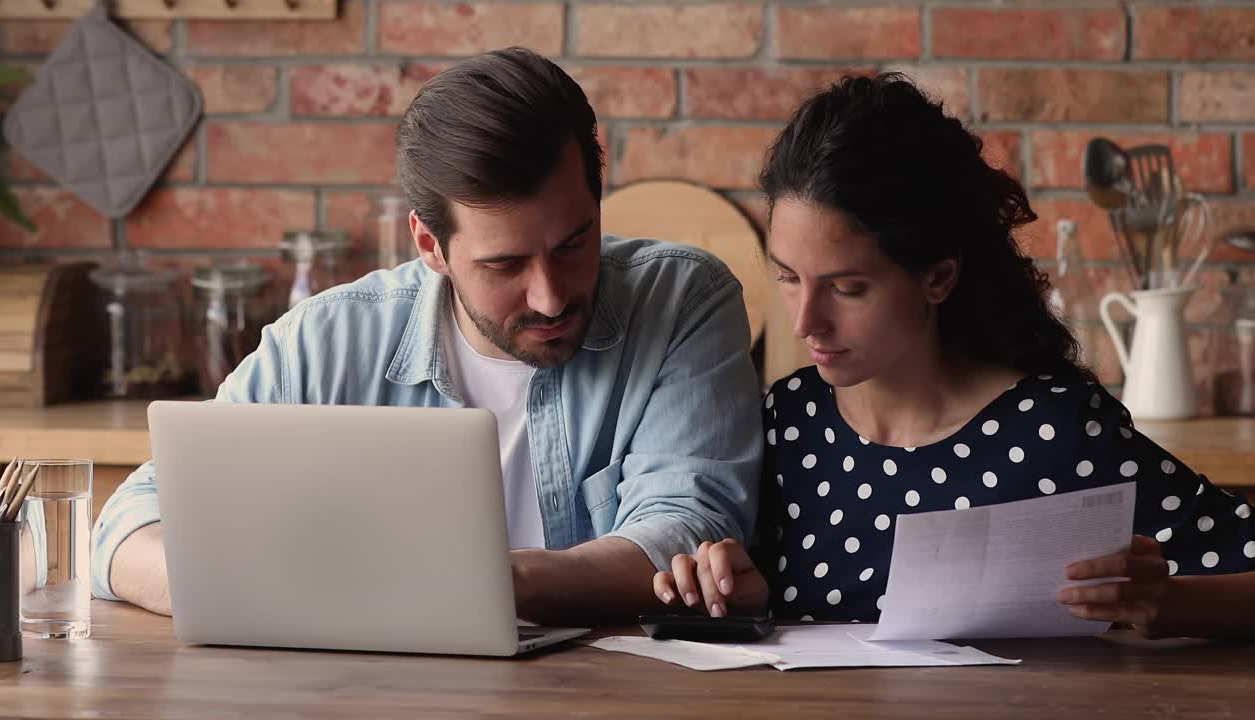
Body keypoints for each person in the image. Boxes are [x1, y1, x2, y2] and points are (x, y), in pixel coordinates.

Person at [93, 48, 762, 625]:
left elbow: (688, 529)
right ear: (429, 244)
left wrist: (500, 581)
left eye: (574, 243)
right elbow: (131, 523)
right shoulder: (325, 343)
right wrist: (264, 591)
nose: (550, 294)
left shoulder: (682, 301)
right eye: (505, 265)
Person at [654, 73, 1255, 638]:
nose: (806, 320)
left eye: (848, 288)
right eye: (788, 277)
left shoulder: (1055, 432)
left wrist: (1169, 602)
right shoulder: (786, 423)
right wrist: (740, 600)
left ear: (938, 277)